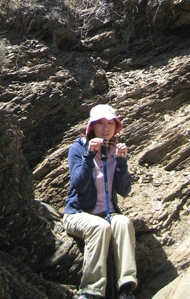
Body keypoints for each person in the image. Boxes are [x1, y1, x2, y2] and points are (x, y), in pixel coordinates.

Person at [63, 104, 137, 299]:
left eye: (110, 123)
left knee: (123, 223)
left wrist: (122, 162)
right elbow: (78, 185)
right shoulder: (78, 148)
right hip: (78, 214)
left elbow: (124, 190)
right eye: (100, 123)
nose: (106, 127)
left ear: (116, 126)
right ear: (92, 127)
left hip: (109, 213)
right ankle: (90, 291)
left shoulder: (115, 150)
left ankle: (126, 288)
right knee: (100, 227)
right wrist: (89, 156)